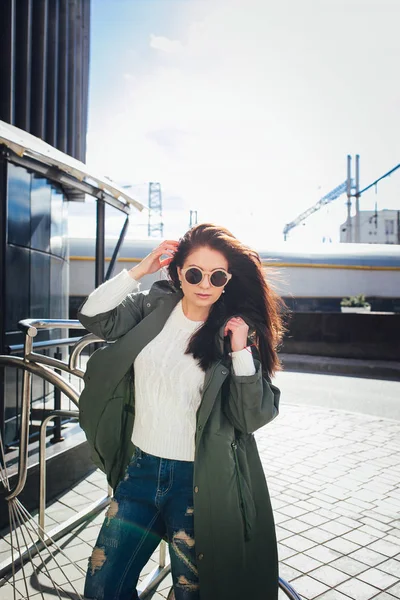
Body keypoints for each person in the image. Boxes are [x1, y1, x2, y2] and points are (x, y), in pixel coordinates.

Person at [78, 223, 284, 600]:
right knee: (102, 586)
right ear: (178, 273)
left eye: (216, 275)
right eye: (194, 273)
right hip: (139, 472)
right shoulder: (153, 307)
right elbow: (93, 315)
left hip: (197, 483)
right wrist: (140, 269)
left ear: (227, 280)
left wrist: (240, 350)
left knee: (191, 594)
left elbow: (251, 417)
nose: (205, 283)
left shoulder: (235, 333)